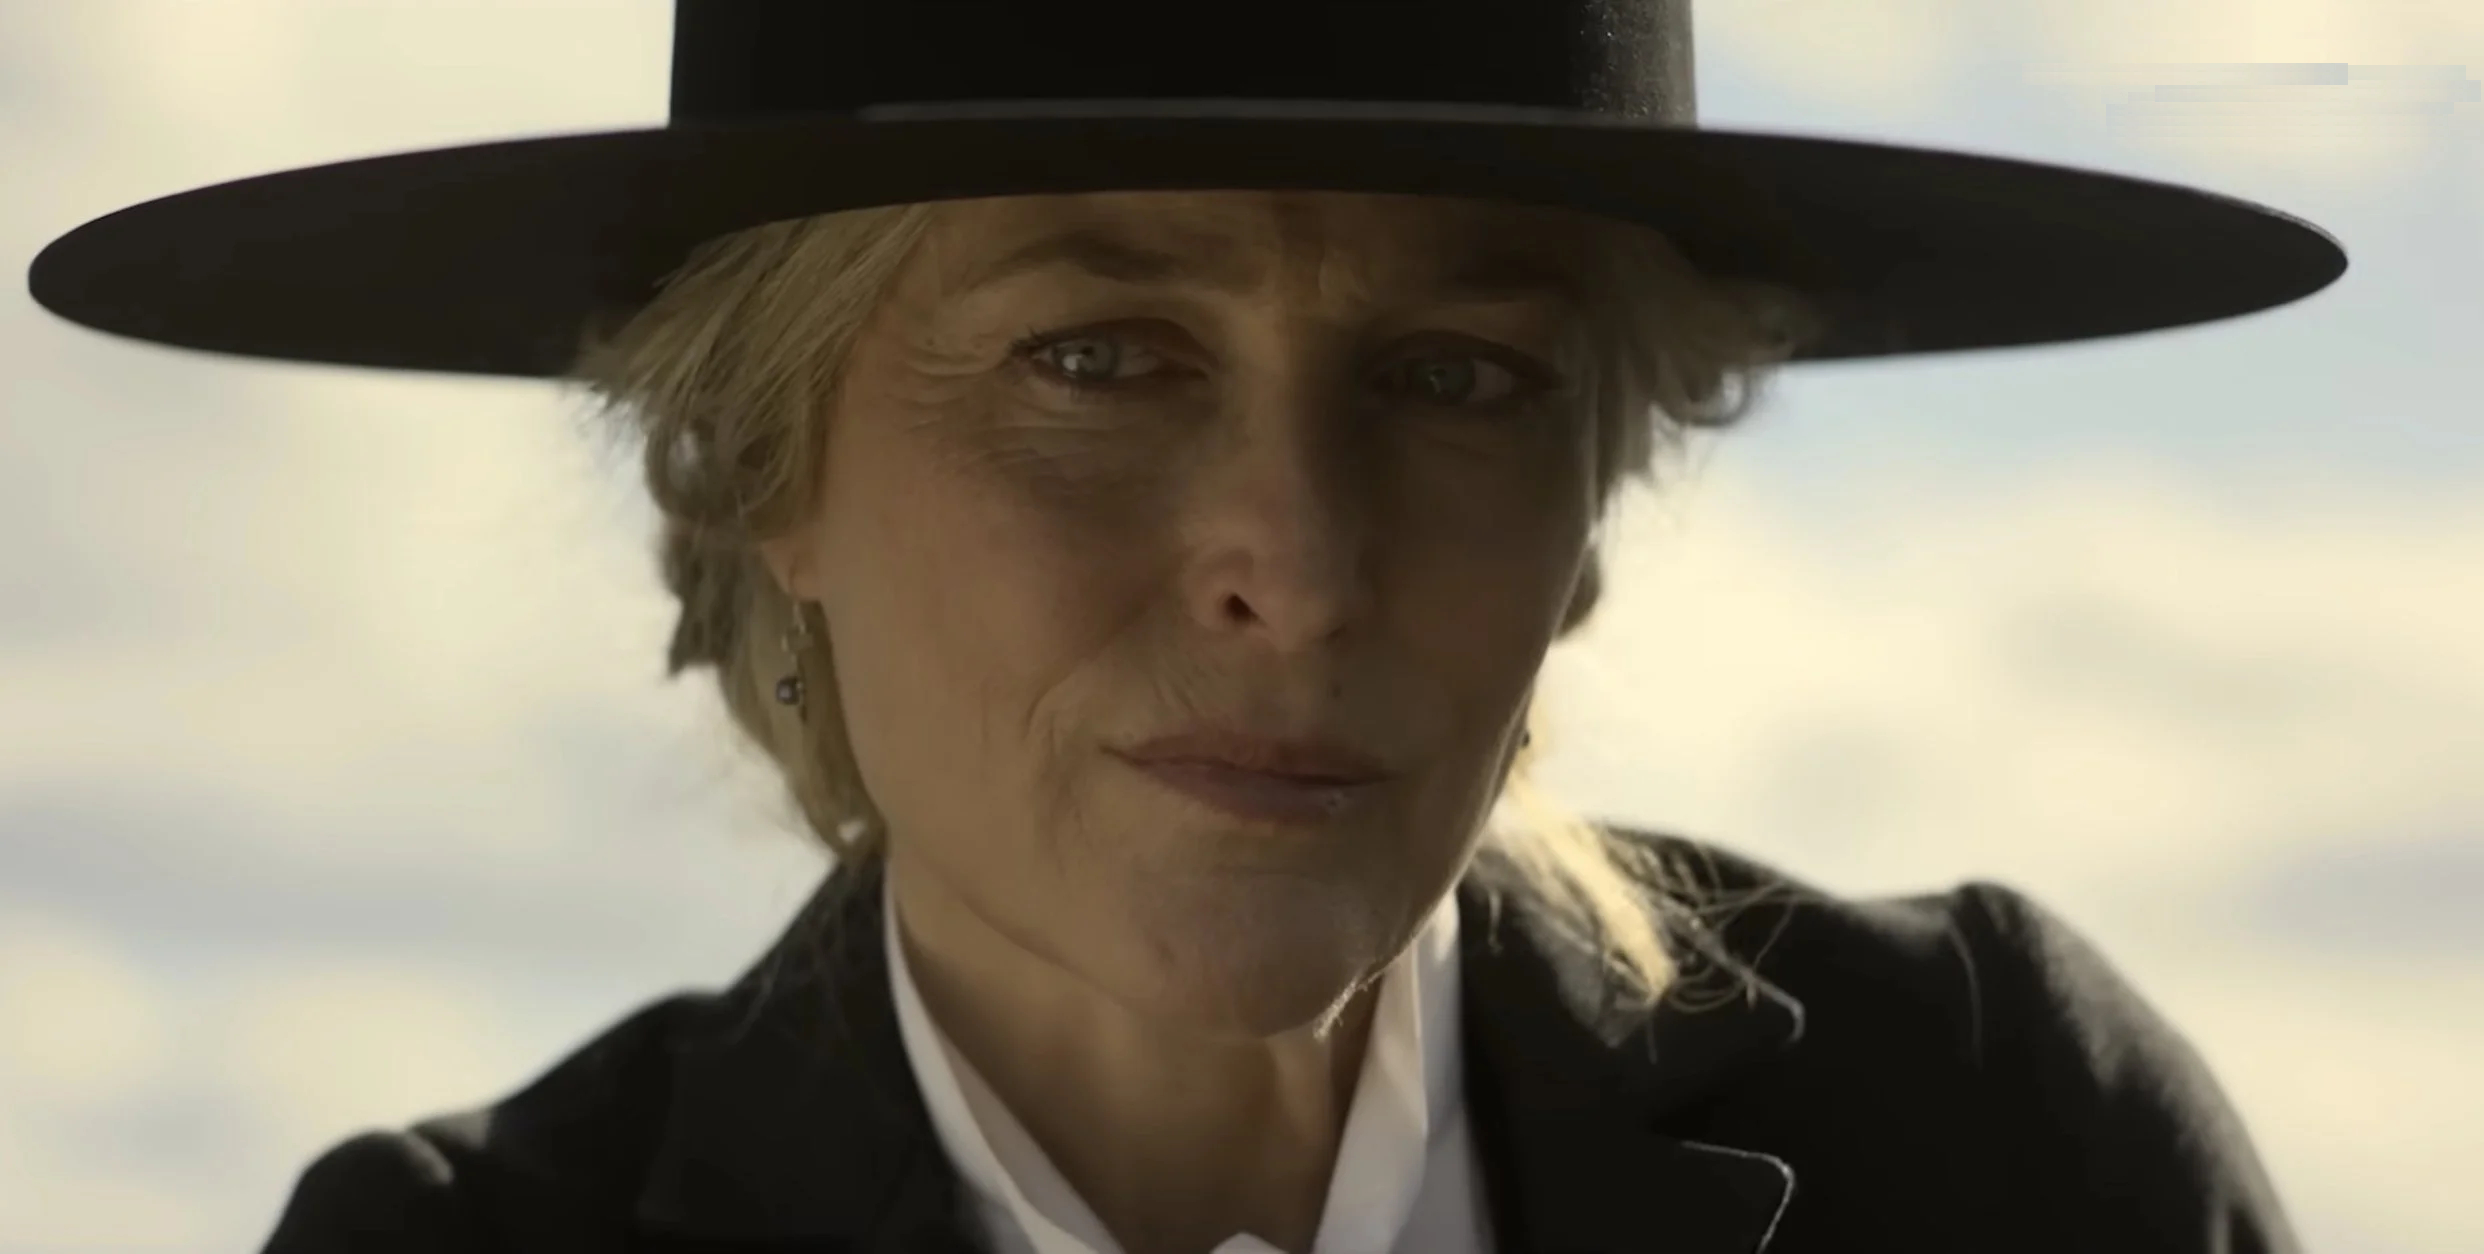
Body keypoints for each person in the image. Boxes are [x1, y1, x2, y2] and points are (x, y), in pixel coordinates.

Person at [29, 3, 2342, 1251]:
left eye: (1456, 379)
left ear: (1598, 502)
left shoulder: (1996, 1148)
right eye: (1095, 358)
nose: (1297, 565)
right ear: (755, 466)